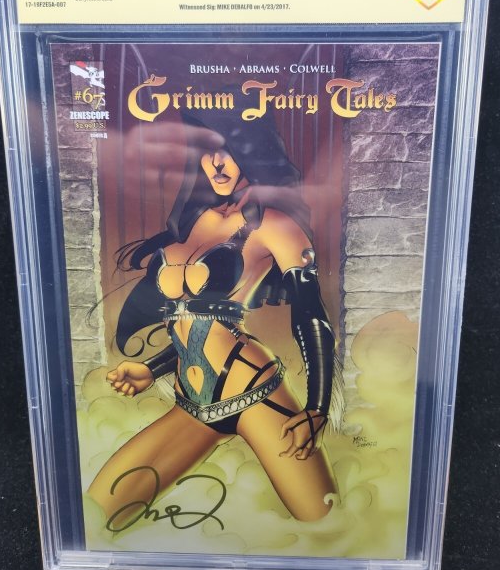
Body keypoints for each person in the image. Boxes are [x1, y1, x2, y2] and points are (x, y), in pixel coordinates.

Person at [88, 109, 342, 530]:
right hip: (192, 403)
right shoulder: (193, 221)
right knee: (100, 510)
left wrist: (317, 407)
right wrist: (151, 369)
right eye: (208, 152)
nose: (217, 163)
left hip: (254, 392)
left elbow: (311, 316)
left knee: (328, 524)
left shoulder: (275, 225)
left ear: (252, 152)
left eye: (229, 150)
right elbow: (192, 320)